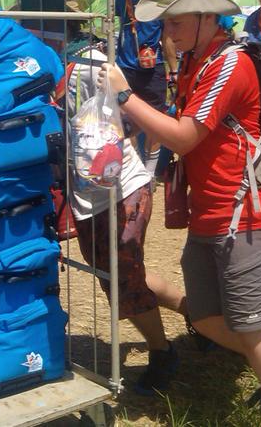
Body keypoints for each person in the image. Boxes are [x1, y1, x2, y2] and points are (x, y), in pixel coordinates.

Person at [100, 0, 261, 427]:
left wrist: (123, 95)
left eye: (175, 22)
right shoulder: (200, 61)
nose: (167, 32)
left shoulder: (230, 64)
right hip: (212, 211)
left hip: (246, 213)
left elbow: (182, 137)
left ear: (204, 17)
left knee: (252, 327)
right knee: (204, 317)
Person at [65, 44, 187, 395]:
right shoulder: (36, 61)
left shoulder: (91, 63)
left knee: (122, 280)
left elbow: (133, 116)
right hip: (88, 197)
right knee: (124, 274)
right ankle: (196, 314)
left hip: (123, 189)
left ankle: (163, 352)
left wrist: (101, 144)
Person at [114, 0, 177, 174]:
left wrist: (174, 71)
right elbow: (115, 25)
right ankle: (136, 169)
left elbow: (167, 35)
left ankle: (149, 172)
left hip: (154, 67)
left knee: (155, 122)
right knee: (125, 120)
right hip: (126, 65)